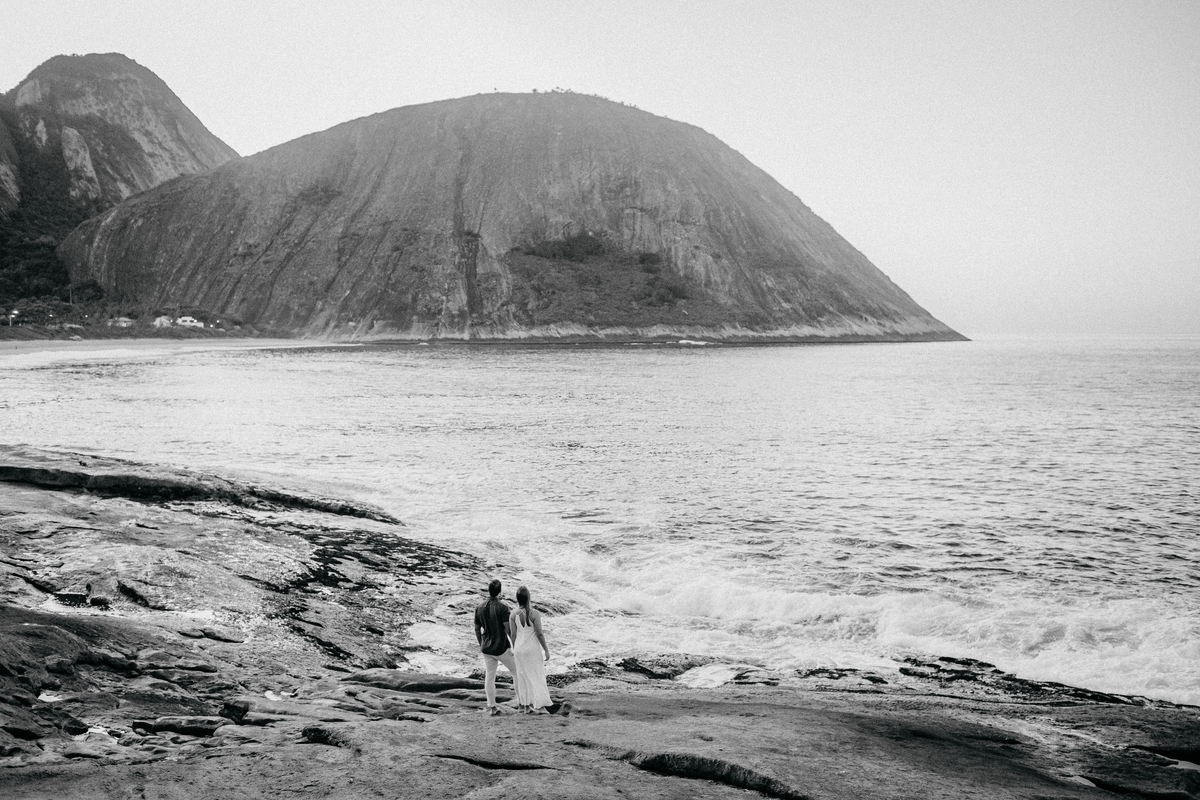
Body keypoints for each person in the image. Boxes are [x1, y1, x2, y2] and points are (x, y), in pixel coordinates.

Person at [507, 585, 552, 713]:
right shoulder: (534, 613)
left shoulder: (513, 614)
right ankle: (540, 705)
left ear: (517, 598)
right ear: (528, 598)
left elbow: (513, 634)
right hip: (532, 649)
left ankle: (526, 706)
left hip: (519, 649)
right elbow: (539, 633)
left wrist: (515, 648)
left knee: (523, 677)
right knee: (536, 675)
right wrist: (546, 650)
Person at [474, 578, 516, 716]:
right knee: (516, 672)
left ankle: (492, 707)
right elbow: (508, 630)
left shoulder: (479, 607)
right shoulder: (503, 608)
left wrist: (481, 643)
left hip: (486, 647)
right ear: (499, 592)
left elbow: (477, 628)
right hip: (500, 647)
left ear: (489, 591)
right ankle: (522, 702)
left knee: (490, 676)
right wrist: (513, 646)